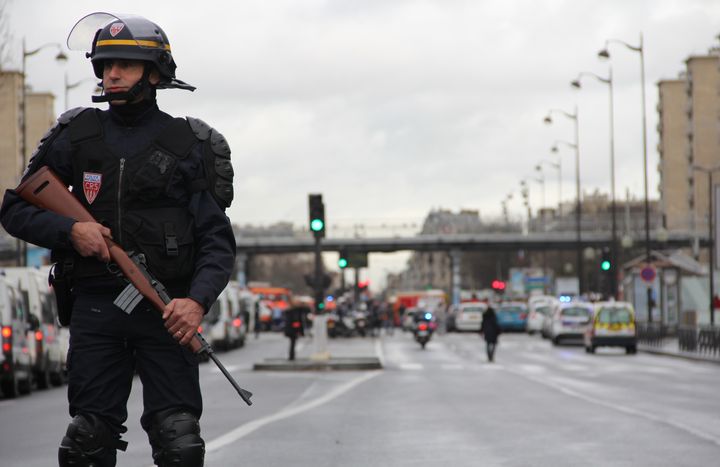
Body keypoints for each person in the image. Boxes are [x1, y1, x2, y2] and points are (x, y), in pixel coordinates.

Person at [0, 13, 235, 467]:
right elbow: (14, 209)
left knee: (179, 442)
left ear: (153, 72)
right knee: (86, 440)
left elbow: (216, 241)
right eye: (105, 65)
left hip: (167, 313)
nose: (112, 74)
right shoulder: (76, 136)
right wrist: (71, 230)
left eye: (124, 65)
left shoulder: (189, 143)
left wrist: (197, 302)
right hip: (95, 310)